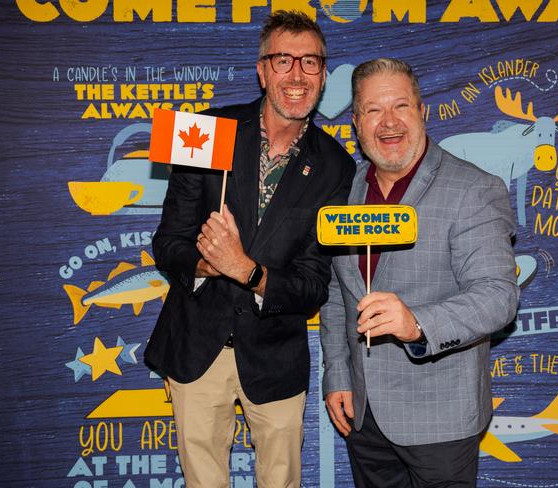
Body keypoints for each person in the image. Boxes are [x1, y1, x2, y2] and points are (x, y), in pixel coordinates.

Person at [145, 11, 355, 488]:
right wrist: (206, 262)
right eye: (283, 60)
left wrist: (246, 270)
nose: (297, 75)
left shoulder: (337, 168)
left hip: (276, 356)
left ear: (323, 74)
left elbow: (313, 283)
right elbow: (168, 241)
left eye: (310, 62)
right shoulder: (208, 130)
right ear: (261, 70)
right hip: (197, 345)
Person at [320, 58, 519, 487]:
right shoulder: (344, 193)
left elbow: (498, 295)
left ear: (422, 111)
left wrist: (417, 323)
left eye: (401, 106)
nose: (388, 123)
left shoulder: (473, 189)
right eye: (373, 110)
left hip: (440, 417)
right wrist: (337, 373)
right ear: (356, 122)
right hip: (364, 413)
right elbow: (338, 294)